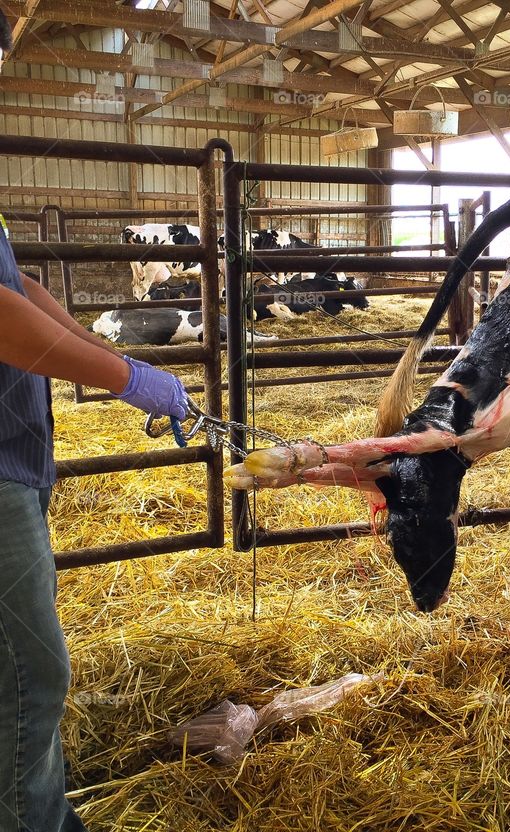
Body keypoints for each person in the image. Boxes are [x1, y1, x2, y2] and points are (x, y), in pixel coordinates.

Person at [0, 18, 190, 825]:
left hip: (15, 452)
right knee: (29, 674)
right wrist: (125, 372)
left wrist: (111, 364)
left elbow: (21, 286)